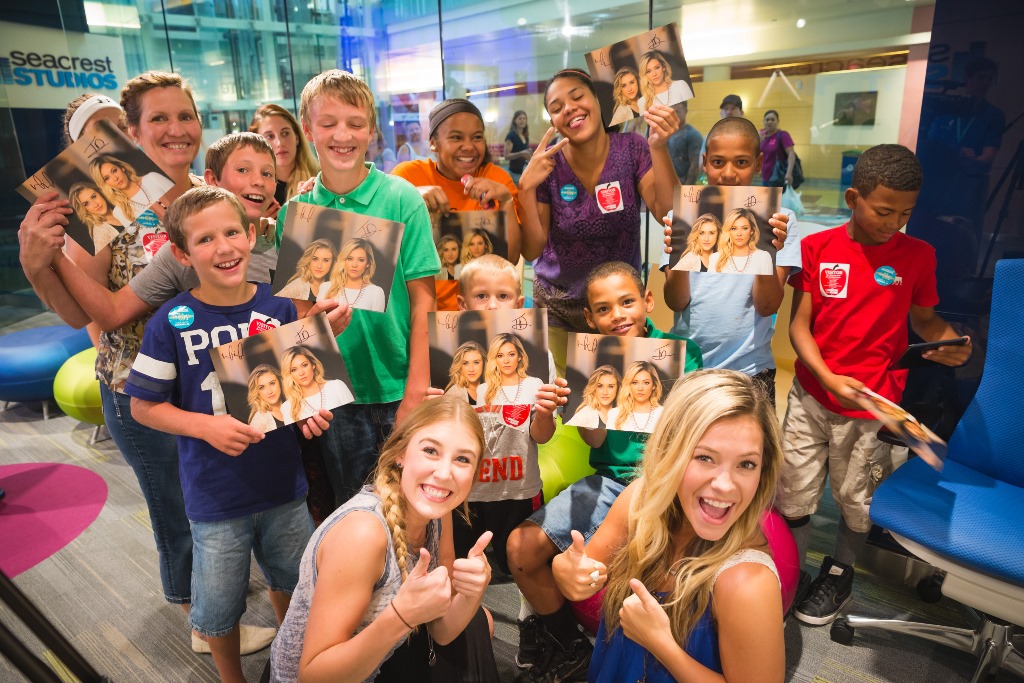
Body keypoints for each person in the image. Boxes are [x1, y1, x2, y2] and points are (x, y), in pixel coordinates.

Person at [17, 72, 234, 653]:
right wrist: (41, 265)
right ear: (133, 134)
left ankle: (220, 598)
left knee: (217, 500)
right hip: (139, 388)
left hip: (212, 383)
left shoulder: (213, 197)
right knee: (175, 508)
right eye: (156, 120)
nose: (174, 129)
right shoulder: (109, 206)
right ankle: (197, 618)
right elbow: (79, 313)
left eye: (183, 116)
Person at [125, 186, 333, 682]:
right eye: (205, 239)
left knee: (296, 580)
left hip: (283, 486)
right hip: (215, 495)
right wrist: (204, 427)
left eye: (233, 232)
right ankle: (230, 677)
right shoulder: (169, 321)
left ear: (253, 233)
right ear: (181, 253)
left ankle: (291, 656)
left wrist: (308, 414)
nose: (224, 247)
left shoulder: (281, 308)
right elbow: (142, 405)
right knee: (218, 605)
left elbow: (298, 391)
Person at [778, 144, 972, 626]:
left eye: (905, 213)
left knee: (856, 498)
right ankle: (792, 570)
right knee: (794, 491)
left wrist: (949, 343)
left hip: (874, 407)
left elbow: (925, 320)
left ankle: (839, 572)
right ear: (852, 197)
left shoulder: (918, 256)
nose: (894, 222)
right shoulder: (817, 249)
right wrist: (825, 377)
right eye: (884, 210)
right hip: (810, 396)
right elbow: (800, 326)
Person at [507, 261, 701, 681]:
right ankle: (568, 643)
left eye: (627, 302)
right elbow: (595, 442)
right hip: (609, 483)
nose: (619, 315)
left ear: (648, 301)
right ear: (591, 319)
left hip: (669, 487)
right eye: (605, 309)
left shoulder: (685, 353)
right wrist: (581, 404)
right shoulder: (590, 361)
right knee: (520, 549)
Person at [552, 369, 785, 682]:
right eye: (705, 458)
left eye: (746, 464)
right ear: (669, 451)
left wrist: (661, 644)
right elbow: (585, 569)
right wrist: (564, 570)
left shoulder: (748, 583)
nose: (726, 485)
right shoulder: (640, 502)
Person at [274, 69, 440, 508]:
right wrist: (318, 329)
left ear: (370, 129)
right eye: (327, 124)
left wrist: (416, 391)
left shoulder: (402, 199)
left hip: (401, 381)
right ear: (307, 129)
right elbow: (298, 317)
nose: (341, 135)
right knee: (356, 507)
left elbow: (426, 299)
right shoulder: (297, 213)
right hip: (337, 392)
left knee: (419, 502)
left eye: (354, 122)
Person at [269, 396, 497, 682]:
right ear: (400, 452)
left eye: (462, 459)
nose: (443, 473)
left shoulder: (439, 512)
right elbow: (312, 676)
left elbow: (442, 631)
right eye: (430, 450)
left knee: (478, 621)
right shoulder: (362, 533)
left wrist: (471, 594)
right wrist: (401, 616)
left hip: (378, 658)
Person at [518, 68, 680, 374]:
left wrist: (658, 146)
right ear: (553, 121)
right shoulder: (546, 166)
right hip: (558, 311)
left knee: (623, 405)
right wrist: (526, 188)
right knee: (565, 411)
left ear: (598, 101)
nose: (569, 108)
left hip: (618, 312)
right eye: (556, 108)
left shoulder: (632, 148)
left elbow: (666, 213)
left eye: (577, 96)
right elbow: (532, 249)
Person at [662, 116, 794, 406]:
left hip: (751, 370)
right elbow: (676, 301)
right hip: (690, 368)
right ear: (705, 161)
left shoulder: (780, 220)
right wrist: (679, 257)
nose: (729, 173)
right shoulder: (681, 217)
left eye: (742, 163)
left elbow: (768, 305)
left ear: (759, 163)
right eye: (719, 162)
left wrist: (767, 253)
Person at [393, 98, 522, 264]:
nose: (468, 146)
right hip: (420, 289)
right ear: (433, 144)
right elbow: (378, 252)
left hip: (481, 289)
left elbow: (510, 260)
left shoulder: (497, 180)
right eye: (456, 137)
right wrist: (409, 198)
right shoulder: (408, 177)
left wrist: (506, 200)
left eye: (477, 137)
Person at [250, 103, 321, 206]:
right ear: (257, 144)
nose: (280, 143)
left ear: (297, 138)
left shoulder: (320, 180)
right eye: (270, 136)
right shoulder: (253, 190)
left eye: (285, 133)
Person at [89, 154, 175, 227]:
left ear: (122, 168)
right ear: (106, 184)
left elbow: (181, 196)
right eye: (107, 178)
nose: (115, 178)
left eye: (114, 171)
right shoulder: (119, 212)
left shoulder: (152, 178)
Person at [279, 345, 355, 424]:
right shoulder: (288, 407)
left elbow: (357, 419)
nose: (301, 373)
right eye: (294, 370)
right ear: (289, 374)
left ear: (313, 365)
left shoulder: (336, 386)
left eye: (304, 365)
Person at [318, 238, 387, 313]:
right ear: (344, 261)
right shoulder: (326, 287)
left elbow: (376, 324)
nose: (354, 265)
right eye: (350, 259)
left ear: (368, 263)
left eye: (361, 260)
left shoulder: (376, 292)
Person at [477, 333, 544, 407]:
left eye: (511, 354)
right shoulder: (483, 390)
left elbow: (548, 417)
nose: (506, 361)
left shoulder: (535, 384)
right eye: (500, 356)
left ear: (519, 356)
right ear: (494, 359)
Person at [708, 207, 773, 276]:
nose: (739, 234)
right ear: (728, 231)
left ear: (752, 230)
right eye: (734, 229)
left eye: (744, 228)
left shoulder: (763, 257)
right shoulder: (715, 258)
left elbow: (767, 286)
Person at [606, 361, 663, 433]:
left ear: (654, 385)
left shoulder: (663, 414)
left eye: (646, 383)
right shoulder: (615, 414)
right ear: (629, 385)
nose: (640, 388)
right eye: (635, 382)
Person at [276, 238, 336, 303]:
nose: (319, 266)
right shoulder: (298, 286)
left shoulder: (335, 288)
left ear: (332, 263)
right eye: (315, 259)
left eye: (325, 260)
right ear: (308, 260)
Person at [68, 182, 121, 253]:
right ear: (84, 209)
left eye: (93, 197)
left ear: (100, 192)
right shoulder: (100, 234)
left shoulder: (121, 207)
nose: (95, 205)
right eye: (86, 204)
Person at [565, 365, 620, 429]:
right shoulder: (586, 413)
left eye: (610, 386)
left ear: (617, 388)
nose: (605, 392)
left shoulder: (624, 415)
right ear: (594, 388)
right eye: (600, 386)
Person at [666, 101, 703, 184]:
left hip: (683, 184)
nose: (673, 115)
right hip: (666, 183)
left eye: (677, 112)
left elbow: (695, 166)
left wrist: (686, 190)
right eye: (671, 111)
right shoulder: (664, 133)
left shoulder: (693, 135)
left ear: (685, 111)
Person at [760, 110, 796, 187]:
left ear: (777, 121)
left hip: (778, 177)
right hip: (765, 177)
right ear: (763, 121)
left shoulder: (783, 135)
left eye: (773, 119)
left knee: (775, 199)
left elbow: (791, 154)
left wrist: (789, 173)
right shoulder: (761, 136)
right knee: (765, 199)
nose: (770, 122)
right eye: (767, 120)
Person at [445, 340, 486, 405]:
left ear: (484, 363)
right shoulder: (455, 394)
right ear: (459, 366)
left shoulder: (490, 390)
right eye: (465, 363)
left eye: (476, 362)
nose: (471, 369)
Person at [248, 364, 286, 433]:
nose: (269, 391)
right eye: (262, 387)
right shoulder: (258, 421)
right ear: (257, 392)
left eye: (272, 383)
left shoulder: (293, 403)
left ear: (280, 382)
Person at [505, 110, 532, 184]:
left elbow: (524, 153)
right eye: (520, 118)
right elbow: (506, 156)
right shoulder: (511, 136)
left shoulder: (525, 136)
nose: (522, 121)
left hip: (524, 172)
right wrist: (521, 153)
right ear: (515, 121)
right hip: (514, 173)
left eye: (524, 118)